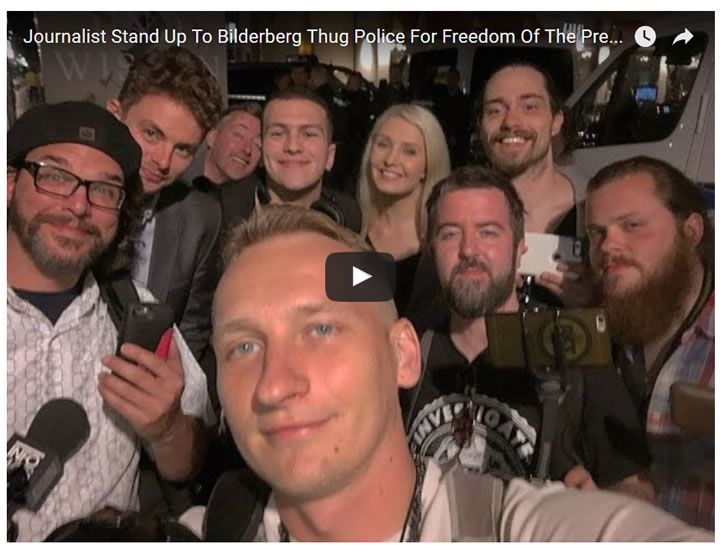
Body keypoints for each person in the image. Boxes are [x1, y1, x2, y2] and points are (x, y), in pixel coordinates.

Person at [206, 204, 711, 542]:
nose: (275, 385)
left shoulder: (515, 525)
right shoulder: (210, 525)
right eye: (243, 346)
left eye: (320, 329)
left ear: (402, 356)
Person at [6, 101, 211, 541]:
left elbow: (185, 464)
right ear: (9, 182)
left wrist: (168, 428)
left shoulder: (134, 310)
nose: (79, 204)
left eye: (104, 190)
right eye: (55, 176)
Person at [404, 165, 650, 494]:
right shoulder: (407, 352)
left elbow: (636, 489)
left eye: (488, 232)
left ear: (520, 248)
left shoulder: (573, 352)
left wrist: (598, 507)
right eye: (450, 234)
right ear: (431, 249)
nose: (469, 249)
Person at [585, 156, 715, 529]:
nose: (608, 246)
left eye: (632, 226)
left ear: (690, 231)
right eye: (596, 233)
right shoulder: (597, 337)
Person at [106, 46, 224, 362]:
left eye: (183, 149)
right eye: (151, 134)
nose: (163, 160)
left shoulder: (200, 217)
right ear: (115, 115)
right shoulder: (67, 202)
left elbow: (192, 331)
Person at [478, 62, 586, 307]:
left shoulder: (595, 211)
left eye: (529, 107)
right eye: (495, 110)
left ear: (556, 121)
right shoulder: (458, 212)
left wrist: (596, 303)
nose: (511, 122)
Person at [357, 104, 451, 315]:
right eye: (383, 145)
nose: (390, 159)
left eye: (409, 151)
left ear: (428, 165)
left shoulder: (445, 241)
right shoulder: (349, 230)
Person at [229, 87, 361, 233]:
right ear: (261, 148)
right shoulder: (225, 213)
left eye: (309, 134)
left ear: (330, 156)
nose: (293, 146)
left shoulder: (348, 217)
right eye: (278, 133)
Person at [183, 102, 263, 225]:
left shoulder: (250, 202)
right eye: (238, 135)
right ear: (212, 137)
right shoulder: (176, 177)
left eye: (257, 144)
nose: (247, 149)